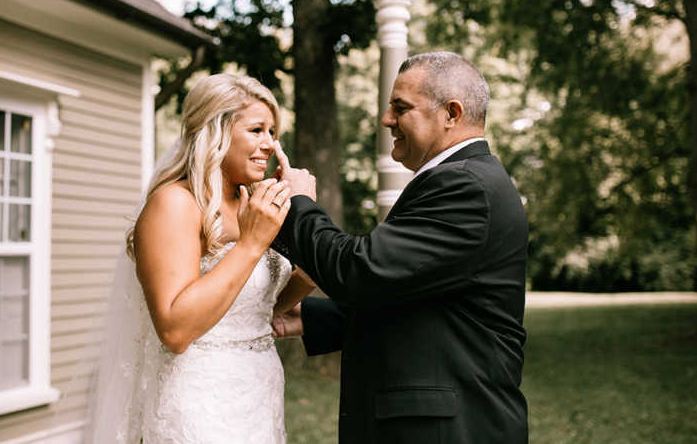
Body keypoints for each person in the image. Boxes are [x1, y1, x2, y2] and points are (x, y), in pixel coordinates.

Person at [271, 51, 529, 443]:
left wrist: (299, 203)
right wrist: (314, 318)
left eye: (400, 107)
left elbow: (360, 271)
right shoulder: (464, 179)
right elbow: (413, 294)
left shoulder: (465, 187)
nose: (386, 119)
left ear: (451, 113)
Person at [84, 74, 313, 444]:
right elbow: (174, 331)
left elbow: (261, 307)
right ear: (216, 132)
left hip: (259, 388)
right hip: (200, 399)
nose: (270, 144)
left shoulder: (254, 205)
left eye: (273, 132)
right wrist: (251, 244)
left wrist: (304, 217)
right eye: (257, 130)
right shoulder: (175, 204)